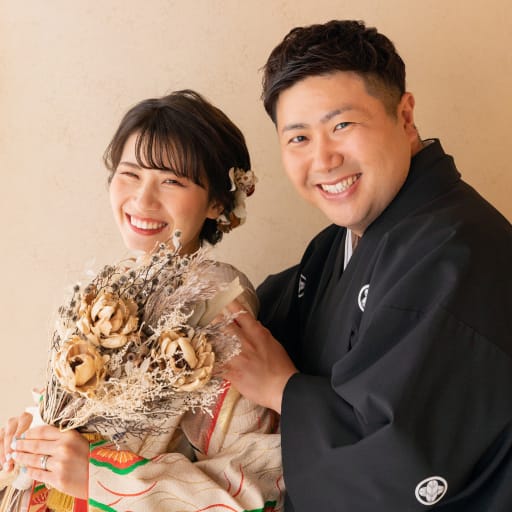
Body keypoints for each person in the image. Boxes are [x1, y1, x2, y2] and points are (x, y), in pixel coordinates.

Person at [224, 20, 512, 511]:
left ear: (405, 116)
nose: (324, 159)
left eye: (342, 126)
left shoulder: (456, 253)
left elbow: (401, 460)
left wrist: (283, 390)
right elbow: (260, 320)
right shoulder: (339, 244)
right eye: (298, 138)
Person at [0, 90, 283, 511]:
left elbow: (254, 483)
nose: (143, 200)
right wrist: (33, 433)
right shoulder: (112, 289)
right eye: (130, 174)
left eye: (172, 181)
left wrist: (102, 478)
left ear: (217, 202)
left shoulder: (219, 308)